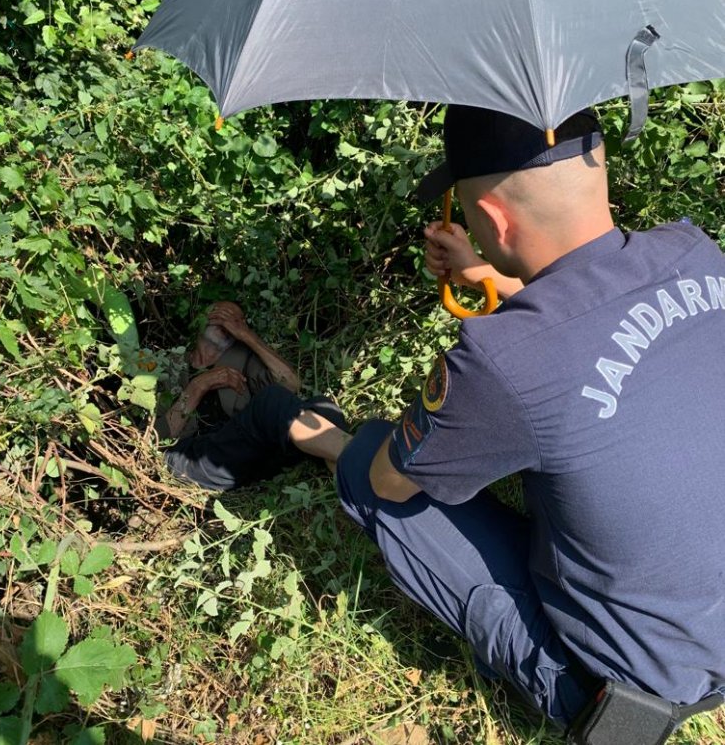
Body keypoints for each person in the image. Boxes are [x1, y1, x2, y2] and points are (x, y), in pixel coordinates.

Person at [298, 106, 725, 737]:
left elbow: (394, 480)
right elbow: (597, 327)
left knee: (370, 470)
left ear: (493, 217)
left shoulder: (500, 360)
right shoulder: (695, 252)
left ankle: (577, 694)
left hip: (640, 690)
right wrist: (491, 273)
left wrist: (332, 441)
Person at [156, 301, 349, 491]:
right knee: (270, 400)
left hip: (247, 455)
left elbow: (290, 384)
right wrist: (199, 385)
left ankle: (355, 482)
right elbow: (157, 437)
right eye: (221, 314)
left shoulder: (242, 359)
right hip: (192, 459)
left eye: (236, 320)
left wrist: (247, 336)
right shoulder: (167, 366)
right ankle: (360, 459)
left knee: (323, 407)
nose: (228, 322)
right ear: (201, 319)